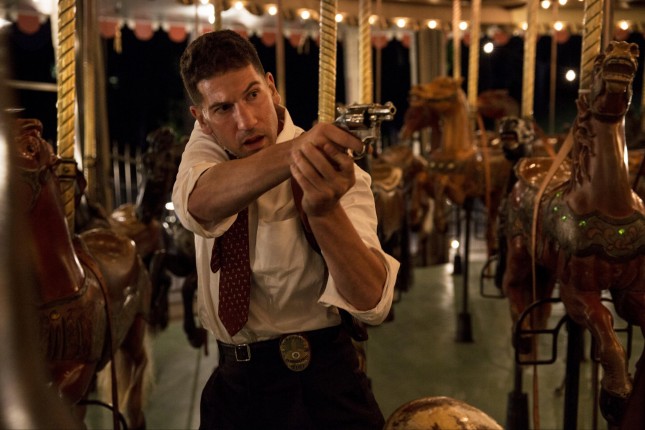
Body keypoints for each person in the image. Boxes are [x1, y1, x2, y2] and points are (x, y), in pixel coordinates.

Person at [173, 29, 399, 429]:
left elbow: (372, 301)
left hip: (319, 381)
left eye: (253, 95)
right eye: (223, 109)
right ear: (201, 119)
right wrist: (300, 149)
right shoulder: (207, 149)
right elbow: (197, 203)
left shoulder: (334, 169)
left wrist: (324, 212)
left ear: (272, 87)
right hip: (234, 383)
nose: (246, 120)